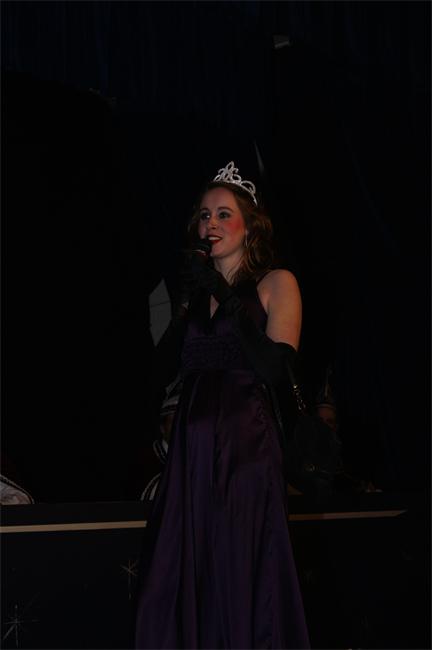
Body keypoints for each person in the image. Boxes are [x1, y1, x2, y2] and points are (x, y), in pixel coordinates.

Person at [135, 161, 310, 649]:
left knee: (239, 565)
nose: (210, 223)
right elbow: (157, 373)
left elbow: (275, 369)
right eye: (204, 215)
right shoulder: (195, 294)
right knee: (176, 570)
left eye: (223, 214)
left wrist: (226, 297)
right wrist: (185, 304)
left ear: (250, 226)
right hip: (190, 451)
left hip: (245, 445)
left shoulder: (277, 282)